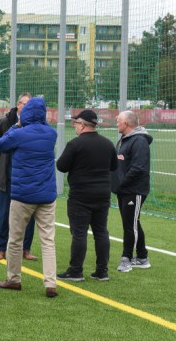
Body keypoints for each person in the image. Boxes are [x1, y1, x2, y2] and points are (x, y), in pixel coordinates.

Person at [0, 97, 59, 298]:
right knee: (48, 241)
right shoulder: (51, 133)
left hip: (23, 195)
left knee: (15, 239)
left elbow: (0, 144)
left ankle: (14, 279)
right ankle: (50, 283)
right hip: (47, 195)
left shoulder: (19, 134)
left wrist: (17, 125)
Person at [56, 109, 118, 281]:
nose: (75, 126)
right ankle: (102, 271)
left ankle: (75, 271)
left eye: (76, 123)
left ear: (82, 125)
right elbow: (114, 167)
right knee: (101, 232)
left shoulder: (75, 144)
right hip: (103, 194)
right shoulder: (107, 143)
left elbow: (61, 166)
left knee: (79, 233)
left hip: (81, 196)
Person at [0, 93, 38, 261]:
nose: (27, 108)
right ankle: (0, 249)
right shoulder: (4, 122)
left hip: (26, 178)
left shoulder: (34, 125)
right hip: (8, 178)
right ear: (18, 105)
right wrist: (4, 162)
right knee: (4, 213)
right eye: (25, 104)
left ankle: (26, 249)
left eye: (30, 105)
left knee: (29, 215)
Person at [112, 110, 154, 272]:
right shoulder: (124, 139)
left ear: (127, 124)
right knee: (132, 223)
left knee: (130, 225)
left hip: (134, 189)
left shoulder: (139, 141)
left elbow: (138, 168)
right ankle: (142, 257)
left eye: (119, 121)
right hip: (124, 189)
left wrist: (121, 184)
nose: (117, 123)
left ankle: (126, 259)